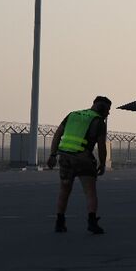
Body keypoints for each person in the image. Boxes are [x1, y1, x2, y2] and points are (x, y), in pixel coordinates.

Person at [47, 96, 110, 234]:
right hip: (83, 159)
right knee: (90, 192)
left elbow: (58, 134)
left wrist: (53, 154)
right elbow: (101, 146)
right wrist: (103, 163)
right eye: (108, 111)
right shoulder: (98, 121)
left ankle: (59, 222)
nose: (108, 114)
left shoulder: (73, 114)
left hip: (65, 158)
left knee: (64, 191)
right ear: (103, 109)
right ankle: (92, 222)